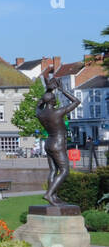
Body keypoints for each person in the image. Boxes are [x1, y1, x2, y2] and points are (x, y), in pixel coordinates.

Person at [37, 68, 81, 205]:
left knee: (53, 170)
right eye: (54, 99)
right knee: (64, 170)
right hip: (57, 143)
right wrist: (62, 90)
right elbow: (76, 101)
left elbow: (38, 104)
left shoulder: (40, 114)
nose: (56, 100)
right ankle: (49, 194)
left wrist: (48, 90)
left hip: (48, 143)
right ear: (52, 102)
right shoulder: (58, 113)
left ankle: (53, 197)